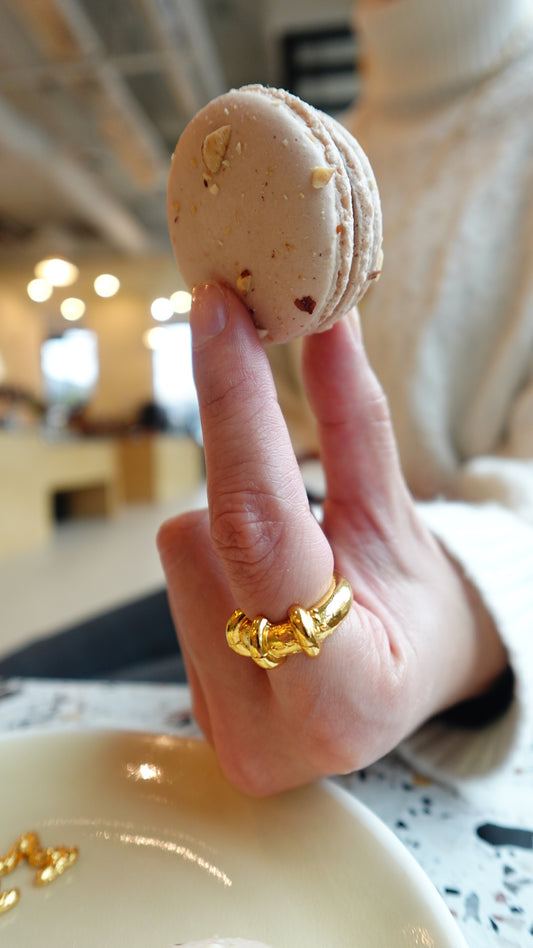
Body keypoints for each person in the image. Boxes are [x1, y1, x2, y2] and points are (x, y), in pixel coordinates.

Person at [157, 0, 533, 796]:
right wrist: (280, 534)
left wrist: (458, 615)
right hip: (304, 626)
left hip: (491, 660)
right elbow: (298, 430)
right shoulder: (320, 150)